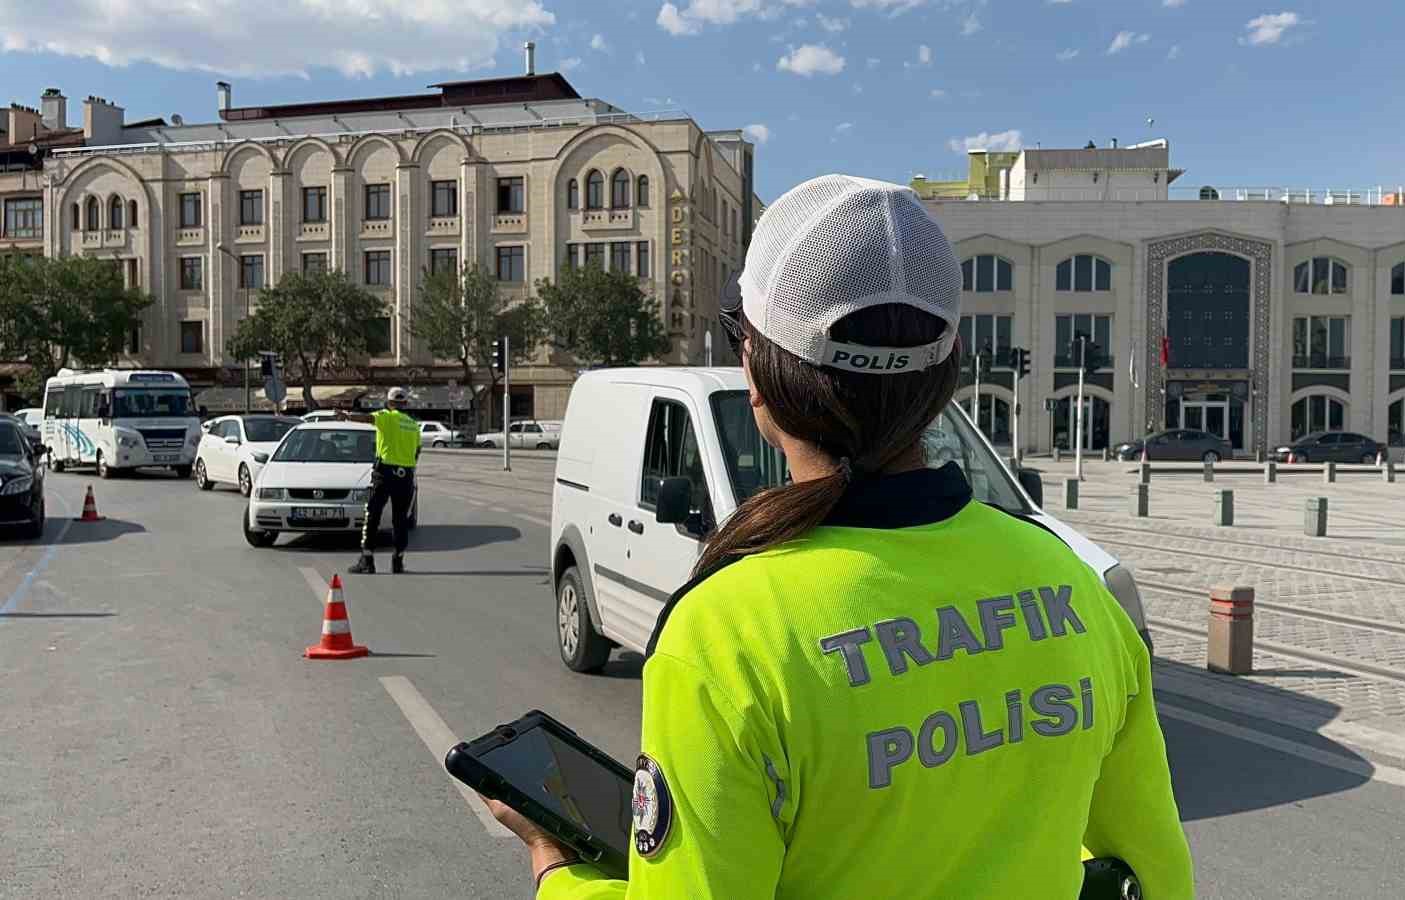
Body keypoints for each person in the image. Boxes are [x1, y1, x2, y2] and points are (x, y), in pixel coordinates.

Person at [483, 175, 1194, 898]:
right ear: (945, 375)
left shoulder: (727, 635)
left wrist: (559, 872)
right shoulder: (1071, 582)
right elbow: (1158, 878)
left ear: (758, 372)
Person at [337, 387, 420, 574]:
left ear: (389, 403)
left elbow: (367, 418)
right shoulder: (413, 425)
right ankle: (398, 561)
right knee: (400, 520)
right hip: (405, 475)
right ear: (405, 404)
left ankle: (367, 560)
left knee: (373, 514)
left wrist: (347, 416)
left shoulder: (386, 416)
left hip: (385, 473)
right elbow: (417, 451)